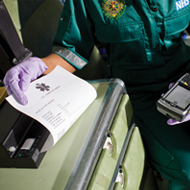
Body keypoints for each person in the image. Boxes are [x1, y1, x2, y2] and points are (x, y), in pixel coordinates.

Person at [3, 0, 190, 189]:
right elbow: (72, 50)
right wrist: (41, 65)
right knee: (186, 167)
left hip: (186, 76)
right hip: (140, 91)